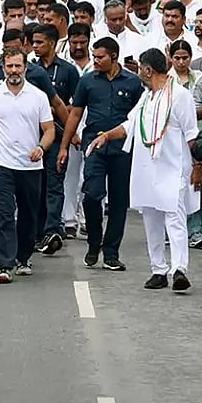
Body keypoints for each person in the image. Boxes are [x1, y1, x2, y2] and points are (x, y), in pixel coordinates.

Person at [89, 48, 198, 289]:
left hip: (173, 168)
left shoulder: (180, 96)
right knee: (151, 218)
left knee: (174, 218)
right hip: (147, 168)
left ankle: (179, 269)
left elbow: (192, 135)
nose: (138, 72)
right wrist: (107, 136)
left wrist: (197, 166)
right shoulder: (147, 96)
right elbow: (130, 124)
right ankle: (158, 269)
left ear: (148, 70)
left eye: (140, 68)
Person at [59, 36, 144, 271]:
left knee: (118, 202)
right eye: (94, 56)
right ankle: (94, 241)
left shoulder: (133, 83)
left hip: (122, 148)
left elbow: (138, 118)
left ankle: (111, 252)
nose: (95, 61)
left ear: (114, 56)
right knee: (92, 195)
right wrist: (65, 146)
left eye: (100, 57)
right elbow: (75, 114)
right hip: (93, 146)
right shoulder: (87, 81)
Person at [0, 47, 55, 283]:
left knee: (29, 214)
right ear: (3, 68)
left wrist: (41, 147)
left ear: (25, 68)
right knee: (3, 213)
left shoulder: (38, 96)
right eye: (9, 66)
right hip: (1, 164)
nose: (14, 71)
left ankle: (23, 258)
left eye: (18, 66)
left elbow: (49, 130)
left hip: (30, 167)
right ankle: (5, 264)